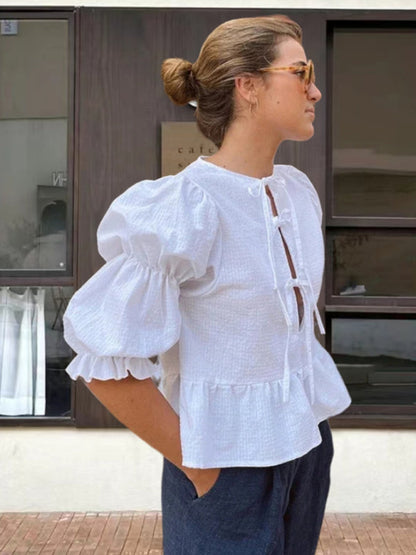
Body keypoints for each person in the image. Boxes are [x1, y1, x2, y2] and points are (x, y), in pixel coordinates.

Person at [63, 14, 352, 554]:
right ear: (248, 85)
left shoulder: (295, 192)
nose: (315, 88)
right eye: (301, 71)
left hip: (306, 448)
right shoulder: (185, 207)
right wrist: (199, 467)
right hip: (225, 468)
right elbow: (105, 364)